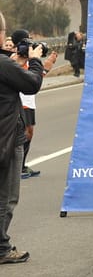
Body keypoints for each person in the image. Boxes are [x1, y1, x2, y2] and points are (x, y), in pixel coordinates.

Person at [0, 12, 45, 264]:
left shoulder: (6, 63)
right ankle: (2, 248)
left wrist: (14, 61)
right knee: (6, 197)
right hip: (7, 137)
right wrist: (35, 61)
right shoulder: (4, 64)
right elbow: (32, 84)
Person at [10, 30, 58, 179]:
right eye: (27, 39)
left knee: (29, 133)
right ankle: (17, 167)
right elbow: (23, 77)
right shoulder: (14, 58)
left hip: (29, 101)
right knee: (22, 134)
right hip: (20, 102)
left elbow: (36, 77)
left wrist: (48, 64)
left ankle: (22, 165)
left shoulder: (31, 57)